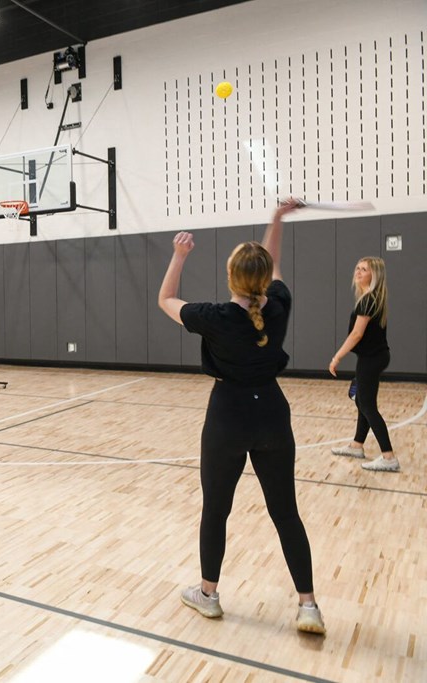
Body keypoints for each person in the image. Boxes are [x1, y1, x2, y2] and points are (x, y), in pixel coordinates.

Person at [157, 198, 325, 635]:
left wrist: (179, 256)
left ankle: (208, 595)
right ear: (266, 279)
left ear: (231, 277)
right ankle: (308, 606)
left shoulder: (212, 317)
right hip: (272, 413)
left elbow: (166, 298)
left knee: (216, 509)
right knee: (286, 513)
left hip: (226, 417)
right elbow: (273, 266)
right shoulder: (278, 306)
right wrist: (277, 219)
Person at [328, 257, 398, 471]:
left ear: (373, 275)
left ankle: (389, 457)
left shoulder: (368, 300)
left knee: (367, 405)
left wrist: (337, 356)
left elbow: (357, 334)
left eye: (364, 269)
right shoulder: (370, 298)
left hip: (372, 358)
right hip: (373, 357)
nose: (358, 272)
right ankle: (357, 445)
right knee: (362, 401)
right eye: (357, 268)